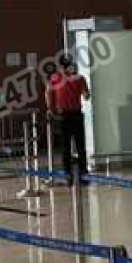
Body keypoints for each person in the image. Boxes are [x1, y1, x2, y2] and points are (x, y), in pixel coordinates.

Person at [45, 54, 90, 184]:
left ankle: (68, 175)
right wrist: (86, 93)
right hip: (75, 115)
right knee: (80, 146)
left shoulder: (55, 78)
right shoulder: (79, 78)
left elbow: (47, 92)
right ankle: (83, 175)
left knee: (66, 147)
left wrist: (50, 109)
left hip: (63, 116)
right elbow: (86, 96)